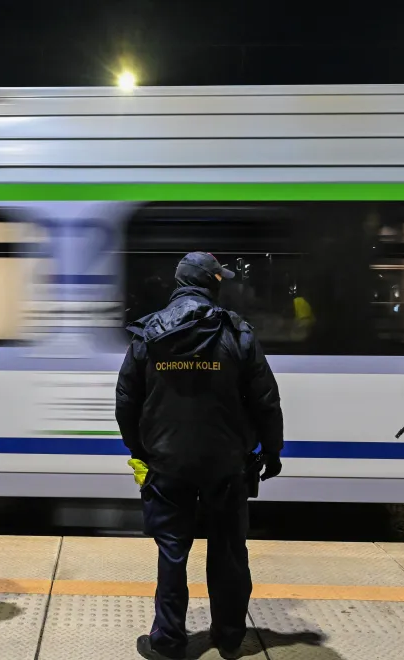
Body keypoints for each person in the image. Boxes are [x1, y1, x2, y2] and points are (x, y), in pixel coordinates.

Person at [115, 251, 284, 660]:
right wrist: (272, 450)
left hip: (167, 462)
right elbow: (265, 400)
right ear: (210, 283)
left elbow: (126, 400)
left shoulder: (148, 333)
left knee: (172, 553)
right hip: (227, 463)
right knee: (228, 551)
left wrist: (141, 449)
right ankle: (228, 637)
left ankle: (169, 641)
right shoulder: (237, 331)